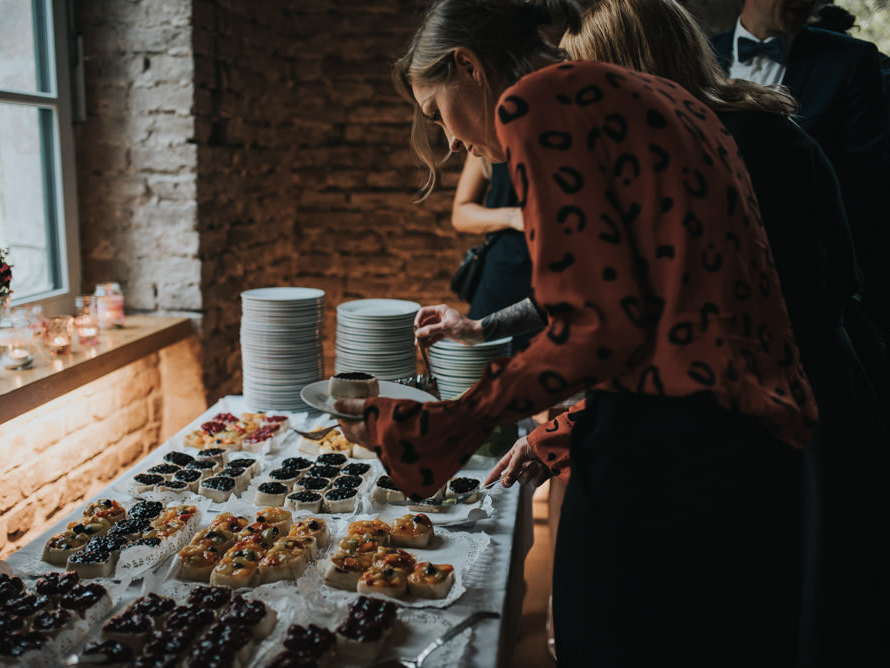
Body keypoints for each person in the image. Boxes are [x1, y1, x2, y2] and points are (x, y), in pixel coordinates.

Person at [336, 1, 818, 665]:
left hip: (665, 464)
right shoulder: (666, 98)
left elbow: (598, 325)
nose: (447, 142)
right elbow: (647, 302)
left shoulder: (539, 100)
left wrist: (442, 428)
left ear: (470, 67)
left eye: (435, 112)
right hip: (747, 458)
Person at [557, 2, 889, 666]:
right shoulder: (749, 130)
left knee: (773, 607)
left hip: (781, 405)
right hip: (797, 389)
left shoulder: (715, 150)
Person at [710, 0, 890, 404]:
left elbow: (868, 181)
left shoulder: (850, 58)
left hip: (815, 284)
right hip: (722, 284)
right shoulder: (702, 53)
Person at [451, 154, 536, 350]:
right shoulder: (483, 141)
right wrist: (513, 216)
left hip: (560, 273)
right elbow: (460, 214)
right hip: (504, 274)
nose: (454, 144)